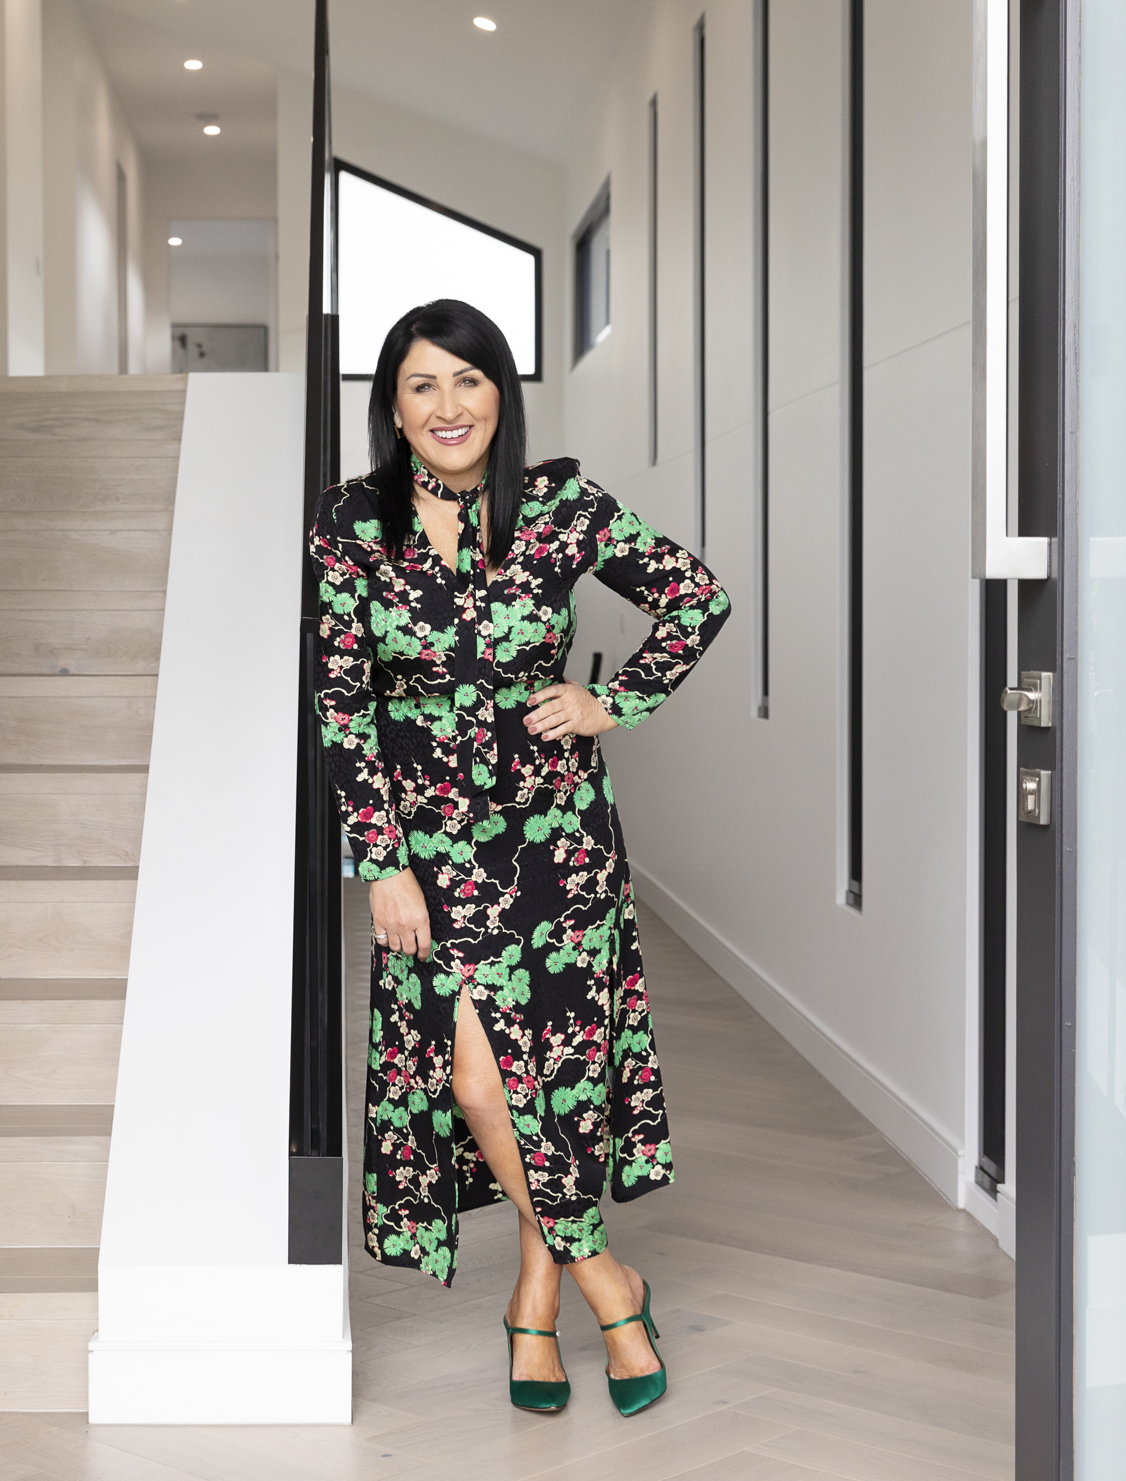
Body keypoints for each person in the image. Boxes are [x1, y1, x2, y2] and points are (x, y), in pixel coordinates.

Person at [307, 299, 729, 1418]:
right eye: (421, 386)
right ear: (392, 409)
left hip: (556, 841)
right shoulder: (352, 521)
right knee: (476, 1077)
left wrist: (610, 702)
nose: (448, 407)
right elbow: (341, 702)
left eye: (469, 381)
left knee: (561, 1071)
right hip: (429, 853)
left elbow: (696, 597)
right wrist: (379, 864)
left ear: (502, 392)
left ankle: (534, 1298)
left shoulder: (559, 507)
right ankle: (605, 1277)